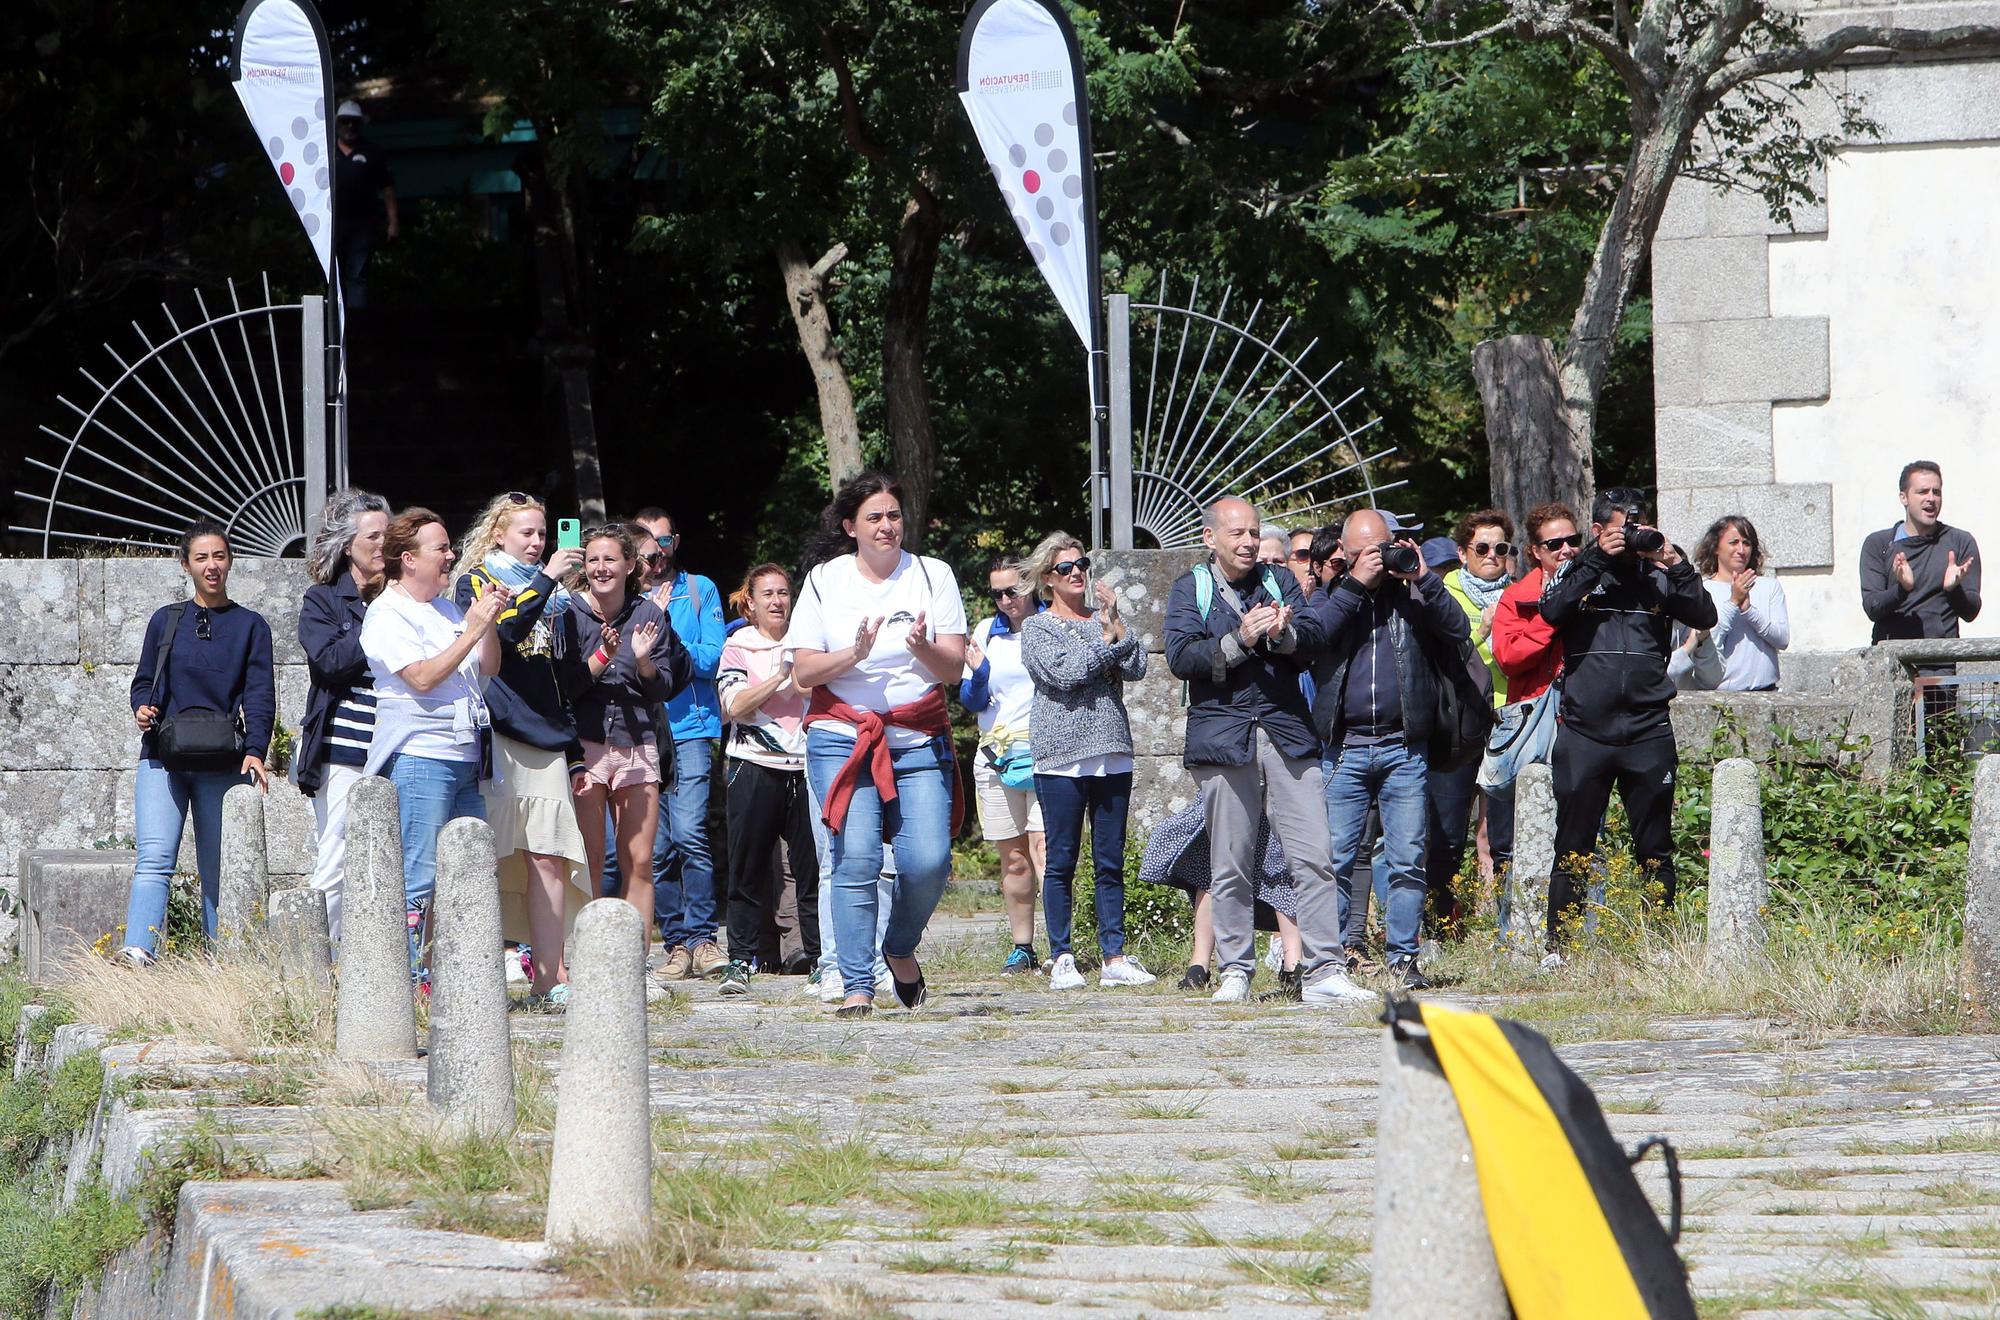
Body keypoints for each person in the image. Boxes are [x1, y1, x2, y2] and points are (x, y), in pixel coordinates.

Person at [1163, 494, 1360, 1006]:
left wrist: (1284, 633)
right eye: (1238, 533)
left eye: (1254, 532)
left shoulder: (1281, 581)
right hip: (1223, 738)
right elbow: (1182, 657)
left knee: (1315, 854)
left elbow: (1315, 638)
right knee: (1231, 860)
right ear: (1211, 538)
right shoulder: (1191, 588)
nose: (1249, 542)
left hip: (1287, 733)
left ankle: (1325, 971)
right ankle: (1234, 969)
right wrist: (1239, 640)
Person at [789, 472, 967, 1019]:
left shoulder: (933, 574)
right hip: (842, 736)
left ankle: (898, 946)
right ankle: (857, 984)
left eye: (893, 515)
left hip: (916, 736)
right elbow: (802, 673)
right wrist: (854, 655)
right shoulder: (825, 580)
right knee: (856, 857)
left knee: (929, 860)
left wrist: (921, 649)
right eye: (874, 517)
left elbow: (954, 669)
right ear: (851, 527)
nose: (887, 526)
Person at [1540, 489, 1717, 954]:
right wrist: (1596, 560)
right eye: (1622, 528)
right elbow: (1551, 611)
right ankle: (1560, 948)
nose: (1631, 535)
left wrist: (1675, 562)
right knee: (1573, 844)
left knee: (1654, 845)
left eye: (1638, 525)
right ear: (1598, 531)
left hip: (1647, 730)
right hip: (1584, 732)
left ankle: (1657, 944)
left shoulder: (1658, 578)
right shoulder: (1577, 573)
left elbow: (1704, 614)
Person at [1301, 510, 1469, 992]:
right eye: (1363, 552)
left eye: (1383, 547)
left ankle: (1403, 958)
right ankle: (1329, 962)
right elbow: (1313, 638)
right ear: (1345, 555)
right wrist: (1354, 584)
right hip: (1345, 748)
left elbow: (1458, 630)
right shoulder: (1333, 597)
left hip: (1403, 747)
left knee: (1408, 857)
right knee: (1332, 858)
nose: (1376, 559)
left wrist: (1424, 577)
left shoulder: (1414, 597)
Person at [454, 493, 593, 1008]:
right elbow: (503, 633)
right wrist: (546, 579)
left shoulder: (557, 597)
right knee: (487, 858)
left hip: (547, 739)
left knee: (550, 860)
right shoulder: (475, 583)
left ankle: (549, 977)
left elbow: (559, 678)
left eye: (542, 534)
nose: (538, 543)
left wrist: (576, 750)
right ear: (498, 535)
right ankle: (479, 972)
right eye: (526, 534)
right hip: (497, 735)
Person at [119, 522, 276, 965]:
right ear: (186, 564)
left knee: (218, 867)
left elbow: (260, 694)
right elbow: (145, 681)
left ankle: (221, 961)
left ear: (230, 561)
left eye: (220, 556)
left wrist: (256, 750)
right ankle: (138, 951)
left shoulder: (251, 626)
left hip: (223, 762)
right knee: (154, 857)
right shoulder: (166, 620)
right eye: (202, 557)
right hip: (163, 757)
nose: (212, 566)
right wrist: (141, 708)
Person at [360, 508, 508, 975]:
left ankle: (459, 978)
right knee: (419, 877)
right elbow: (422, 678)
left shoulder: (446, 609)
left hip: (465, 755)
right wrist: (472, 629)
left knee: (468, 871)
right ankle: (405, 981)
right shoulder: (387, 613)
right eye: (441, 549)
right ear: (408, 558)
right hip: (421, 756)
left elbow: (490, 668)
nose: (452, 556)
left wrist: (489, 622)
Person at [1020, 533, 1154, 991]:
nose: (1076, 572)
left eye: (1081, 564)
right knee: (1061, 860)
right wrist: (1111, 643)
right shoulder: (1038, 628)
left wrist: (1115, 624)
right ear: (1047, 579)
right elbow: (1065, 673)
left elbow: (1137, 667)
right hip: (1060, 755)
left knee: (1109, 860)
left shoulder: (1104, 619)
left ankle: (1114, 955)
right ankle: (1062, 955)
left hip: (1112, 750)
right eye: (1065, 568)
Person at [568, 524, 693, 960]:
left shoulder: (649, 615)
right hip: (586, 746)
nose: (601, 568)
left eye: (610, 559)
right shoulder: (569, 612)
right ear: (584, 567)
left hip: (637, 742)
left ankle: (636, 967)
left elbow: (663, 690)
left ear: (629, 566)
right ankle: (586, 961)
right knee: (588, 861)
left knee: (638, 861)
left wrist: (643, 663)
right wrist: (600, 659)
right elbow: (566, 688)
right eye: (593, 560)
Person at [628, 507, 728, 982]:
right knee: (657, 846)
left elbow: (711, 659)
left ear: (676, 543)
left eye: (664, 542)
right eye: (647, 543)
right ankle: (676, 944)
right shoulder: (622, 598)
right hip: (640, 732)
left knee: (690, 834)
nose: (656, 553)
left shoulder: (698, 590)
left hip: (690, 729)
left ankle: (705, 938)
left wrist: (662, 624)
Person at [715, 564, 819, 994]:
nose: (777, 601)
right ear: (751, 603)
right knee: (747, 868)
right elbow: (734, 707)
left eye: (783, 593)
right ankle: (740, 960)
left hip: (806, 768)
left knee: (811, 871)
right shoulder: (739, 646)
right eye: (768, 595)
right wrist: (780, 677)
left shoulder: (808, 644)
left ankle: (819, 959)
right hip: (752, 766)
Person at [296, 487, 391, 946]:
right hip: (343, 749)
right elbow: (329, 662)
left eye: (388, 536)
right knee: (335, 857)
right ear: (347, 544)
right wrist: (377, 618)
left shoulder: (407, 598)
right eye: (372, 536)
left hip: (397, 747)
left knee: (390, 862)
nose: (382, 545)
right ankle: (319, 965)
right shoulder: (324, 600)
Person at [1427, 513, 1515, 930]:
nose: (1492, 556)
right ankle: (1439, 925)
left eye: (1501, 548)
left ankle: (1506, 924)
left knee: (1503, 834)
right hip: (1457, 724)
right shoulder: (1442, 594)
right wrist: (1482, 631)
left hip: (1509, 720)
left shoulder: (1520, 595)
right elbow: (1440, 660)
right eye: (1482, 548)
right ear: (1463, 553)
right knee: (1446, 832)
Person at [960, 554, 1047, 973]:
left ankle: (1064, 946)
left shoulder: (1052, 625)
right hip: (996, 756)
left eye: (1013, 590)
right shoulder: (984, 632)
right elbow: (971, 701)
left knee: (1046, 850)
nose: (1006, 600)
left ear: (1030, 585)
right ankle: (1023, 947)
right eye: (997, 594)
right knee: (1013, 858)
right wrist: (978, 674)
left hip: (1047, 753)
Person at [1860, 460, 1981, 643]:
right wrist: (1902, 589)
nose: (1931, 498)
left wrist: (1953, 589)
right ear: (1904, 497)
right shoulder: (1879, 544)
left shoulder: (1960, 542)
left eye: (1936, 492)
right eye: (1922, 492)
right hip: (1891, 660)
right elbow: (1872, 608)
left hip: (1939, 660)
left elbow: (1971, 612)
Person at [1674, 515, 1788, 693]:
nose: (1741, 550)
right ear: (1716, 547)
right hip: (1720, 696)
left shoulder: (1769, 587)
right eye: (1734, 542)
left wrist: (1749, 611)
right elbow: (1708, 642)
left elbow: (1782, 640)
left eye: (1747, 543)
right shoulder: (1703, 590)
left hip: (1766, 692)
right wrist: (1734, 601)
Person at [331, 100, 398, 312]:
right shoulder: (325, 151)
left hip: (364, 225)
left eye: (354, 122)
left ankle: (357, 328)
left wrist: (393, 222)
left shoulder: (372, 152)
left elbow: (387, 188)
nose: (350, 126)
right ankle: (335, 325)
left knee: (357, 275)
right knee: (334, 277)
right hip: (333, 226)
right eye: (345, 121)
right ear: (338, 124)